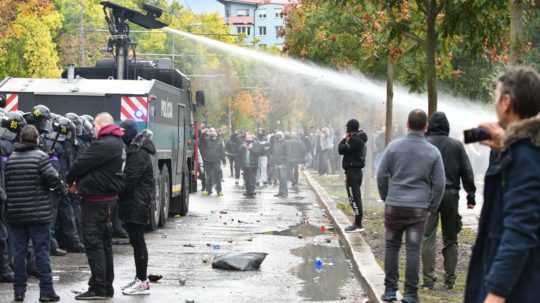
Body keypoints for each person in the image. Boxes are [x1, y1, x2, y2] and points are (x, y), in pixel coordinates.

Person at [464, 67, 540, 303]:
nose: (494, 103)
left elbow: (519, 232)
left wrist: (495, 295)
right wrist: (505, 144)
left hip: (518, 290)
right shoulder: (522, 151)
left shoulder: (525, 157)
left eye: (496, 97)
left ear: (506, 101)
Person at [377, 109, 445, 303]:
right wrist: (432, 206)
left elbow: (381, 174)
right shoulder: (433, 152)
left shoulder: (393, 147)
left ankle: (390, 291)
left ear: (407, 125)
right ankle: (410, 294)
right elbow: (439, 183)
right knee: (413, 249)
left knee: (391, 246)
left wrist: (386, 196)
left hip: (394, 206)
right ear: (426, 127)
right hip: (418, 209)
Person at [66, 113, 125, 300]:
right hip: (109, 199)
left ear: (101, 125)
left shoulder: (103, 144)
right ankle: (106, 285)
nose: (92, 129)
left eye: (94, 125)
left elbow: (80, 164)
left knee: (94, 244)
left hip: (96, 200)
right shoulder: (118, 143)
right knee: (105, 243)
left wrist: (70, 180)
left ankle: (98, 288)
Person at [5, 125, 64, 302]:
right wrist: (58, 189)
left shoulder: (11, 158)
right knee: (41, 252)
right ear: (37, 138)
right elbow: (53, 178)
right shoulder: (41, 157)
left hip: (16, 215)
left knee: (19, 253)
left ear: (20, 139)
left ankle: (19, 292)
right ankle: (46, 291)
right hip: (39, 215)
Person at [421, 112, 477, 290]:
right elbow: (466, 171)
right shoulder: (457, 145)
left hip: (429, 195)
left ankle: (428, 280)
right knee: (450, 238)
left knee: (427, 236)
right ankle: (450, 279)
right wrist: (471, 195)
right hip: (451, 195)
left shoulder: (424, 145)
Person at [118, 121, 155, 296]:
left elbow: (130, 179)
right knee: (136, 241)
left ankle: (142, 281)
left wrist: (115, 186)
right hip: (135, 201)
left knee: (138, 241)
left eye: (123, 132)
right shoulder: (136, 151)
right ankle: (140, 278)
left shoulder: (138, 154)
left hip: (137, 202)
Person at [338, 119, 368, 233]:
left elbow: (340, 149)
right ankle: (357, 222)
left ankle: (358, 223)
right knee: (355, 197)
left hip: (353, 172)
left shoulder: (354, 140)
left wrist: (345, 139)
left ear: (349, 129)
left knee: (354, 198)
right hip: (355, 171)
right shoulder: (359, 139)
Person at [202, 128, 225, 196]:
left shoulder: (220, 140)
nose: (212, 133)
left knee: (218, 176)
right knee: (208, 176)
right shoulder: (206, 139)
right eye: (211, 131)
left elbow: (222, 151)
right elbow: (200, 141)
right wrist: (203, 133)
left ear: (216, 133)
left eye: (213, 131)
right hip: (207, 160)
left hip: (216, 161)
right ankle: (208, 190)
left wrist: (223, 160)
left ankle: (219, 191)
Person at [239, 133, 262, 198]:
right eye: (247, 138)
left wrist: (250, 148)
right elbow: (239, 153)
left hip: (253, 164)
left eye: (249, 138)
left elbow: (258, 152)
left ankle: (252, 191)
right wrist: (242, 147)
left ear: (252, 138)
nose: (248, 139)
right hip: (245, 164)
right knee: (246, 179)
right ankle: (248, 191)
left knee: (252, 178)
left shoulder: (256, 144)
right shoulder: (243, 145)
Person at [272, 132, 288, 198]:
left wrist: (284, 162)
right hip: (277, 163)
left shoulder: (285, 143)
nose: (277, 137)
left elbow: (287, 154)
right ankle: (280, 192)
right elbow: (274, 153)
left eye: (278, 136)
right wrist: (275, 163)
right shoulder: (275, 143)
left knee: (283, 178)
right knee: (280, 179)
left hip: (283, 163)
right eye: (276, 136)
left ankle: (285, 192)